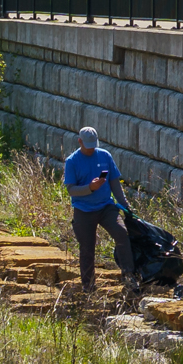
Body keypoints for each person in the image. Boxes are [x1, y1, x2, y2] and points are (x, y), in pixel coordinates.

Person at [64, 126, 137, 294]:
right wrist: (90, 187)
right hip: (83, 210)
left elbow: (114, 183)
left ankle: (129, 277)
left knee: (121, 234)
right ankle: (88, 287)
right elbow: (71, 189)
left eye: (93, 145)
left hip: (106, 207)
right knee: (87, 248)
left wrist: (125, 206)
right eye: (87, 145)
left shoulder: (105, 156)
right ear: (79, 141)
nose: (91, 149)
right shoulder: (72, 161)